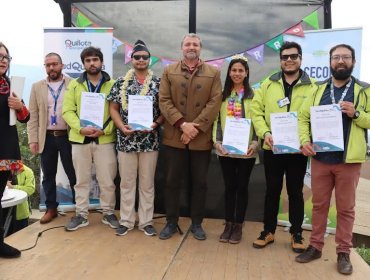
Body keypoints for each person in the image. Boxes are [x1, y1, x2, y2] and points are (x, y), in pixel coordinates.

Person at [295, 44, 370, 275]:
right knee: (319, 205)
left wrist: (356, 113)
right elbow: (303, 117)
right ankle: (315, 246)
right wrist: (305, 141)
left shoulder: (364, 89)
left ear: (353, 62)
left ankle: (343, 252)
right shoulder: (318, 89)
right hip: (320, 158)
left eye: (345, 57)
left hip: (348, 160)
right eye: (336, 57)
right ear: (330, 62)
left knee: (346, 209)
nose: (340, 61)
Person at [251, 41, 316, 252]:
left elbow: (316, 117)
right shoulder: (267, 84)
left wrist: (308, 140)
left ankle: (296, 233)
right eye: (285, 57)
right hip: (273, 148)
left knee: (296, 192)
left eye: (293, 56)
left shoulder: (313, 86)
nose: (289, 60)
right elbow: (256, 111)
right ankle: (268, 231)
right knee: (272, 191)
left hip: (298, 150)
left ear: (301, 59)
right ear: (280, 60)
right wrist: (265, 133)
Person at [159, 33, 222, 240]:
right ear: (181, 48)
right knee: (171, 182)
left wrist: (195, 128)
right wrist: (182, 125)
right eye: (187, 44)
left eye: (195, 44)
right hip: (174, 136)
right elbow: (164, 101)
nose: (191, 47)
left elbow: (215, 102)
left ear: (200, 48)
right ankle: (171, 222)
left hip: (200, 139)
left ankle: (196, 223)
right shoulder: (169, 71)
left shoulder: (213, 73)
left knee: (200, 183)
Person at [108, 40, 163, 237]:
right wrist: (121, 126)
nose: (141, 60)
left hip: (150, 141)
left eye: (144, 57)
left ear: (150, 60)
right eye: (137, 57)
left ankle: (146, 221)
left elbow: (165, 110)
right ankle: (126, 220)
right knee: (127, 183)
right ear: (131, 60)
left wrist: (155, 124)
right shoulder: (121, 82)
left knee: (147, 183)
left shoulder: (158, 83)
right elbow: (113, 108)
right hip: (126, 140)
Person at [62, 46, 119, 231]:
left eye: (95, 59)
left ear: (101, 62)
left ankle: (108, 212)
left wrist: (106, 130)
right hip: (80, 139)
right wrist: (81, 128)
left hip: (105, 139)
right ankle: (81, 214)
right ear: (84, 63)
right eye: (88, 60)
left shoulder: (113, 84)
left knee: (107, 180)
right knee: (81, 180)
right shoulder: (75, 84)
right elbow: (67, 111)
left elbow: (118, 112)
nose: (92, 63)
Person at [213, 55, 258, 244]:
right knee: (229, 187)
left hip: (247, 150)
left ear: (246, 73)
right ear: (229, 73)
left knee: (242, 187)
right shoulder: (222, 96)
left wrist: (255, 143)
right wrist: (216, 142)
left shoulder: (253, 96)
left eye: (241, 70)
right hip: (225, 150)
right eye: (234, 70)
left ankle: (239, 225)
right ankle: (228, 223)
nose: (237, 73)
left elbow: (258, 121)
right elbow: (216, 121)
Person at [27, 52, 76, 224]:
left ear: (62, 65)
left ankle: (80, 208)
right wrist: (33, 139)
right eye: (48, 65)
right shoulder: (37, 86)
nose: (51, 68)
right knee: (48, 175)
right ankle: (51, 208)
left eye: (55, 64)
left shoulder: (73, 84)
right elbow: (33, 115)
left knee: (73, 173)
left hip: (68, 137)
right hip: (46, 137)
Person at [0, 41, 30, 258]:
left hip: (5, 148)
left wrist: (20, 107)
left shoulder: (10, 84)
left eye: (5, 57)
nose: (2, 61)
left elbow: (25, 117)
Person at [4, 164, 35, 235]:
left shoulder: (27, 171)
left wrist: (13, 187)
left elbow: (30, 189)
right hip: (4, 210)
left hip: (21, 212)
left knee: (21, 238)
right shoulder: (3, 169)